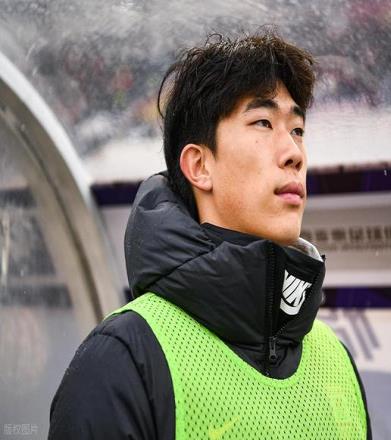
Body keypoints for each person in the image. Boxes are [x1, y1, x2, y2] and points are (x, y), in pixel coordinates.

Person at [49, 30, 371, 439]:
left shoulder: (336, 361)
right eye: (263, 122)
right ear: (199, 166)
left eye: (297, 130)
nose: (294, 153)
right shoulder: (123, 360)